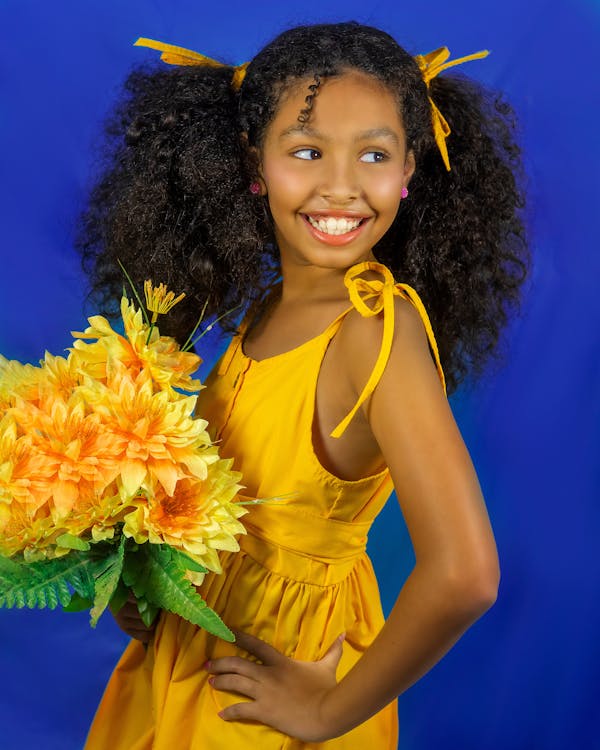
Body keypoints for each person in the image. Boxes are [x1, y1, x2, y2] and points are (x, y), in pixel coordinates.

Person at [80, 21, 528, 749]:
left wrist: (328, 712)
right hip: (197, 653)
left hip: (278, 676)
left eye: (374, 154)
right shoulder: (272, 306)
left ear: (410, 169)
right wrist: (152, 584)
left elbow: (466, 574)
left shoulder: (374, 332)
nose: (342, 186)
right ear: (253, 164)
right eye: (308, 151)